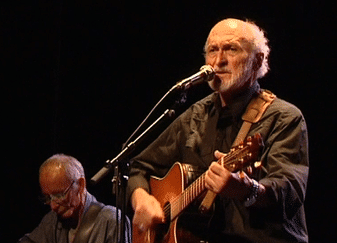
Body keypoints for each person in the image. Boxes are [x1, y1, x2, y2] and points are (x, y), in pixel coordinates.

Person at [128, 18, 309, 242]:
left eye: (231, 49)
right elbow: (139, 166)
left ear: (257, 60)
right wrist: (141, 199)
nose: (219, 60)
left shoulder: (283, 117)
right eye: (213, 50)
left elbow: (291, 193)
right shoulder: (195, 115)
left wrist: (247, 190)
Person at [18, 154, 131, 243]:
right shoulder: (52, 221)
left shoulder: (112, 221)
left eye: (59, 195)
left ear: (81, 185)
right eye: (48, 198)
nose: (53, 206)